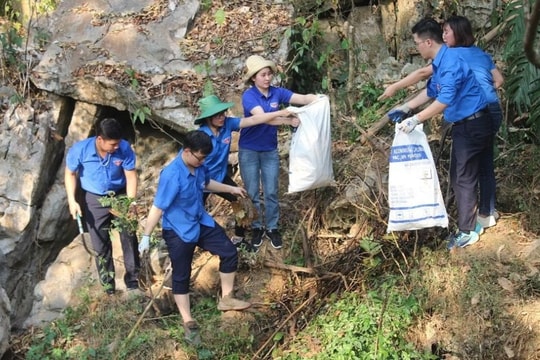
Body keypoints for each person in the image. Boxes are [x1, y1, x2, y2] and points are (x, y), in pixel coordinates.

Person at [381, 16, 503, 229]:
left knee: (462, 179)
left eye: (417, 43)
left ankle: (467, 230)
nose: (417, 48)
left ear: (428, 42)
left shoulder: (451, 61)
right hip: (475, 120)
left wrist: (416, 118)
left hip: (472, 123)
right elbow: (431, 91)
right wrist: (406, 107)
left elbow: (444, 99)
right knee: (472, 173)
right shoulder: (443, 61)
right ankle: (483, 215)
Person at [138, 130, 251, 345]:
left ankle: (226, 298)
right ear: (187, 151)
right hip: (179, 230)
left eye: (205, 158)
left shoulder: (199, 165)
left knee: (229, 251)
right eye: (200, 158)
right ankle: (188, 321)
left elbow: (206, 183)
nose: (202, 162)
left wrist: (231, 189)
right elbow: (158, 207)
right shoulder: (172, 175)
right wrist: (146, 235)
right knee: (181, 275)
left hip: (200, 221)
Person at [194, 94, 298, 250]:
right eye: (217, 115)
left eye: (223, 113)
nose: (222, 117)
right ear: (208, 118)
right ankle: (194, 242)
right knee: (194, 212)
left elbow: (253, 120)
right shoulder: (200, 136)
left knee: (242, 200)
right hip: (200, 181)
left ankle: (239, 238)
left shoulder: (228, 124)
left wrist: (282, 116)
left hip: (220, 178)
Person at [240, 55, 318, 250]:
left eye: (269, 74)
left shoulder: (277, 93)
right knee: (252, 192)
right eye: (263, 75)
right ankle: (257, 227)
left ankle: (273, 227)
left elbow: (300, 98)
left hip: (269, 150)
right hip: (249, 149)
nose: (267, 78)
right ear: (253, 78)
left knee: (272, 190)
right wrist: (286, 118)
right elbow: (262, 118)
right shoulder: (249, 96)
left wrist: (317, 99)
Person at [65, 117, 140, 295]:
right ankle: (109, 289)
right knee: (100, 243)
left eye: (118, 143)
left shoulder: (124, 148)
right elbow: (70, 174)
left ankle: (133, 281)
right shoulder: (80, 150)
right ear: (100, 139)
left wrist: (131, 202)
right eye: (112, 144)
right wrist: (72, 200)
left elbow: (131, 176)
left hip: (119, 195)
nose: (116, 147)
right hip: (93, 198)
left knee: (128, 234)